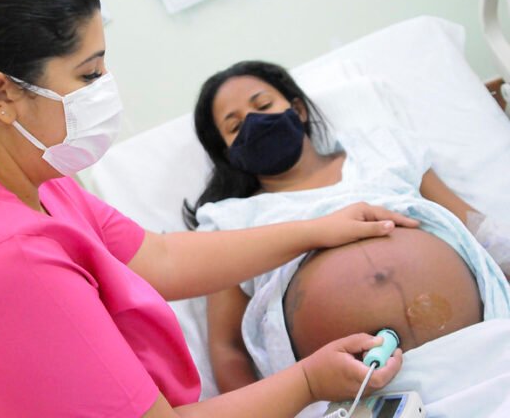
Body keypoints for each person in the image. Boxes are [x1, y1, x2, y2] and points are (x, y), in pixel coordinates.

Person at [0, 0, 416, 417]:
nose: (105, 89)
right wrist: (310, 383)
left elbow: (161, 258)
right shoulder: (0, 258)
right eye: (88, 74)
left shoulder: (22, 178)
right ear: (2, 95)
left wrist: (315, 227)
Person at [183, 60, 510, 394]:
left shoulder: (380, 149)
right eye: (235, 126)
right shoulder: (228, 222)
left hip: (485, 349)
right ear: (228, 154)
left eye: (264, 105)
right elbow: (228, 349)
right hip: (357, 399)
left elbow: (480, 232)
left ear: (298, 110)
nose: (255, 123)